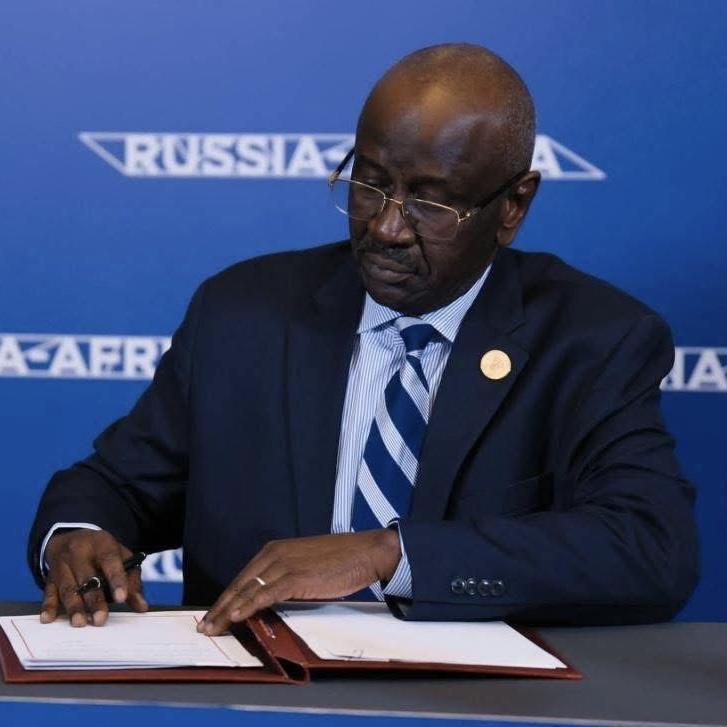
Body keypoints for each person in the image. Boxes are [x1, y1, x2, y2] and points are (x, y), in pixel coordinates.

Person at [28, 43, 699, 635]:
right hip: (260, 697)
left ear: (513, 206)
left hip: (474, 703)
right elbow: (118, 484)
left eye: (430, 203)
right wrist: (79, 534)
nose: (385, 227)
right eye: (369, 184)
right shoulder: (242, 313)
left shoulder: (591, 339)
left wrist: (388, 553)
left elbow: (649, 548)